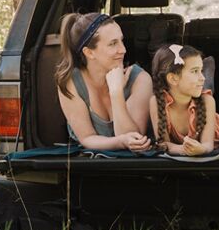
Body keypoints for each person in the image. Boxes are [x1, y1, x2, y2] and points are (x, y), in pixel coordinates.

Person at [54, 12, 153, 151]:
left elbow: (134, 138)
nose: (123, 50)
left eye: (121, 40)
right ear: (89, 52)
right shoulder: (71, 82)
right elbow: (87, 138)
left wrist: (116, 93)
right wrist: (120, 142)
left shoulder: (140, 79)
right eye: (113, 44)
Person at [148, 44, 219, 156]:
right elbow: (163, 143)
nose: (201, 77)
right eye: (195, 71)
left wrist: (201, 149)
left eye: (201, 71)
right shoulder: (157, 102)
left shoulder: (208, 101)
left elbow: (208, 145)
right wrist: (183, 149)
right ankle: (208, 85)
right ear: (173, 78)